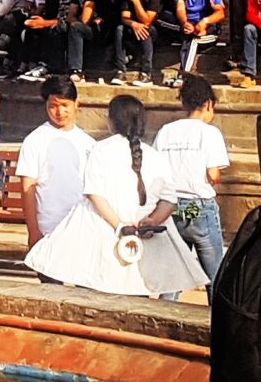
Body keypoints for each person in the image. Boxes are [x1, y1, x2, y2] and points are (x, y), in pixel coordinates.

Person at [24, 93, 207, 300]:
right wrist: (151, 221)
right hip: (143, 239)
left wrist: (119, 225)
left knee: (94, 298)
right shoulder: (155, 157)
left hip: (101, 238)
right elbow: (169, 201)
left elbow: (95, 194)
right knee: (136, 297)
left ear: (111, 121)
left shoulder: (100, 150)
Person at [155, 73, 232, 281]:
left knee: (173, 275)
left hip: (170, 207)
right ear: (208, 104)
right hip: (198, 206)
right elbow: (213, 174)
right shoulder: (210, 133)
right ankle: (214, 312)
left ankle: (165, 310)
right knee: (214, 275)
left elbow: (157, 171)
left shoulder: (166, 131)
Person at [15, 75, 96, 253]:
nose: (59, 112)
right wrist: (33, 230)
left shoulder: (88, 143)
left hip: (81, 227)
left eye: (65, 105)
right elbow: (28, 188)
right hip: (48, 228)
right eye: (53, 106)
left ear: (76, 104)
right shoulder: (35, 140)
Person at [117, 0, 178, 86]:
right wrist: (133, 24)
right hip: (136, 30)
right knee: (119, 29)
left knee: (146, 29)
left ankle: (146, 73)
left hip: (159, 33)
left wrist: (135, 1)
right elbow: (124, 17)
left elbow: (147, 20)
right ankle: (120, 71)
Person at [175, 0, 228, 79]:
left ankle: (184, 74)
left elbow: (220, 13)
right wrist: (185, 23)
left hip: (208, 27)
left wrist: (205, 21)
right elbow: (180, 9)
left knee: (193, 40)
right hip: (190, 24)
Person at [16, 0, 64, 81]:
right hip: (39, 19)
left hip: (48, 20)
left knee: (36, 30)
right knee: (22, 27)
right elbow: (27, 7)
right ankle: (24, 61)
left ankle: (36, 62)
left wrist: (33, 12)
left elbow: (37, 10)